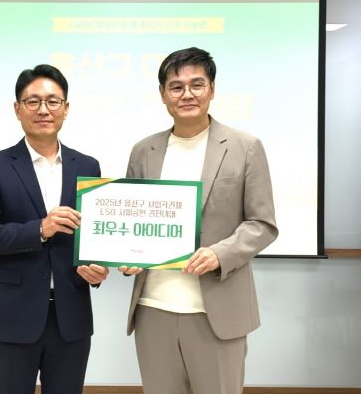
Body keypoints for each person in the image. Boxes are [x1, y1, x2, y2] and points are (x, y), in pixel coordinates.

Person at [119, 47, 278, 394]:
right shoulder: (144, 151)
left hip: (217, 312)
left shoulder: (245, 146)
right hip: (153, 308)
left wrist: (220, 253)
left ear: (212, 89)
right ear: (163, 94)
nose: (187, 94)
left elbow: (263, 224)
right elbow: (132, 222)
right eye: (176, 87)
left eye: (197, 84)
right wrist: (126, 255)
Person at [0, 64, 109, 394]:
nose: (43, 110)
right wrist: (40, 229)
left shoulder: (87, 166)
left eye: (53, 101)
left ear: (66, 108)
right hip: (12, 315)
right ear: (17, 109)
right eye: (33, 101)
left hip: (71, 317)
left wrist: (98, 269)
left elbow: (93, 237)